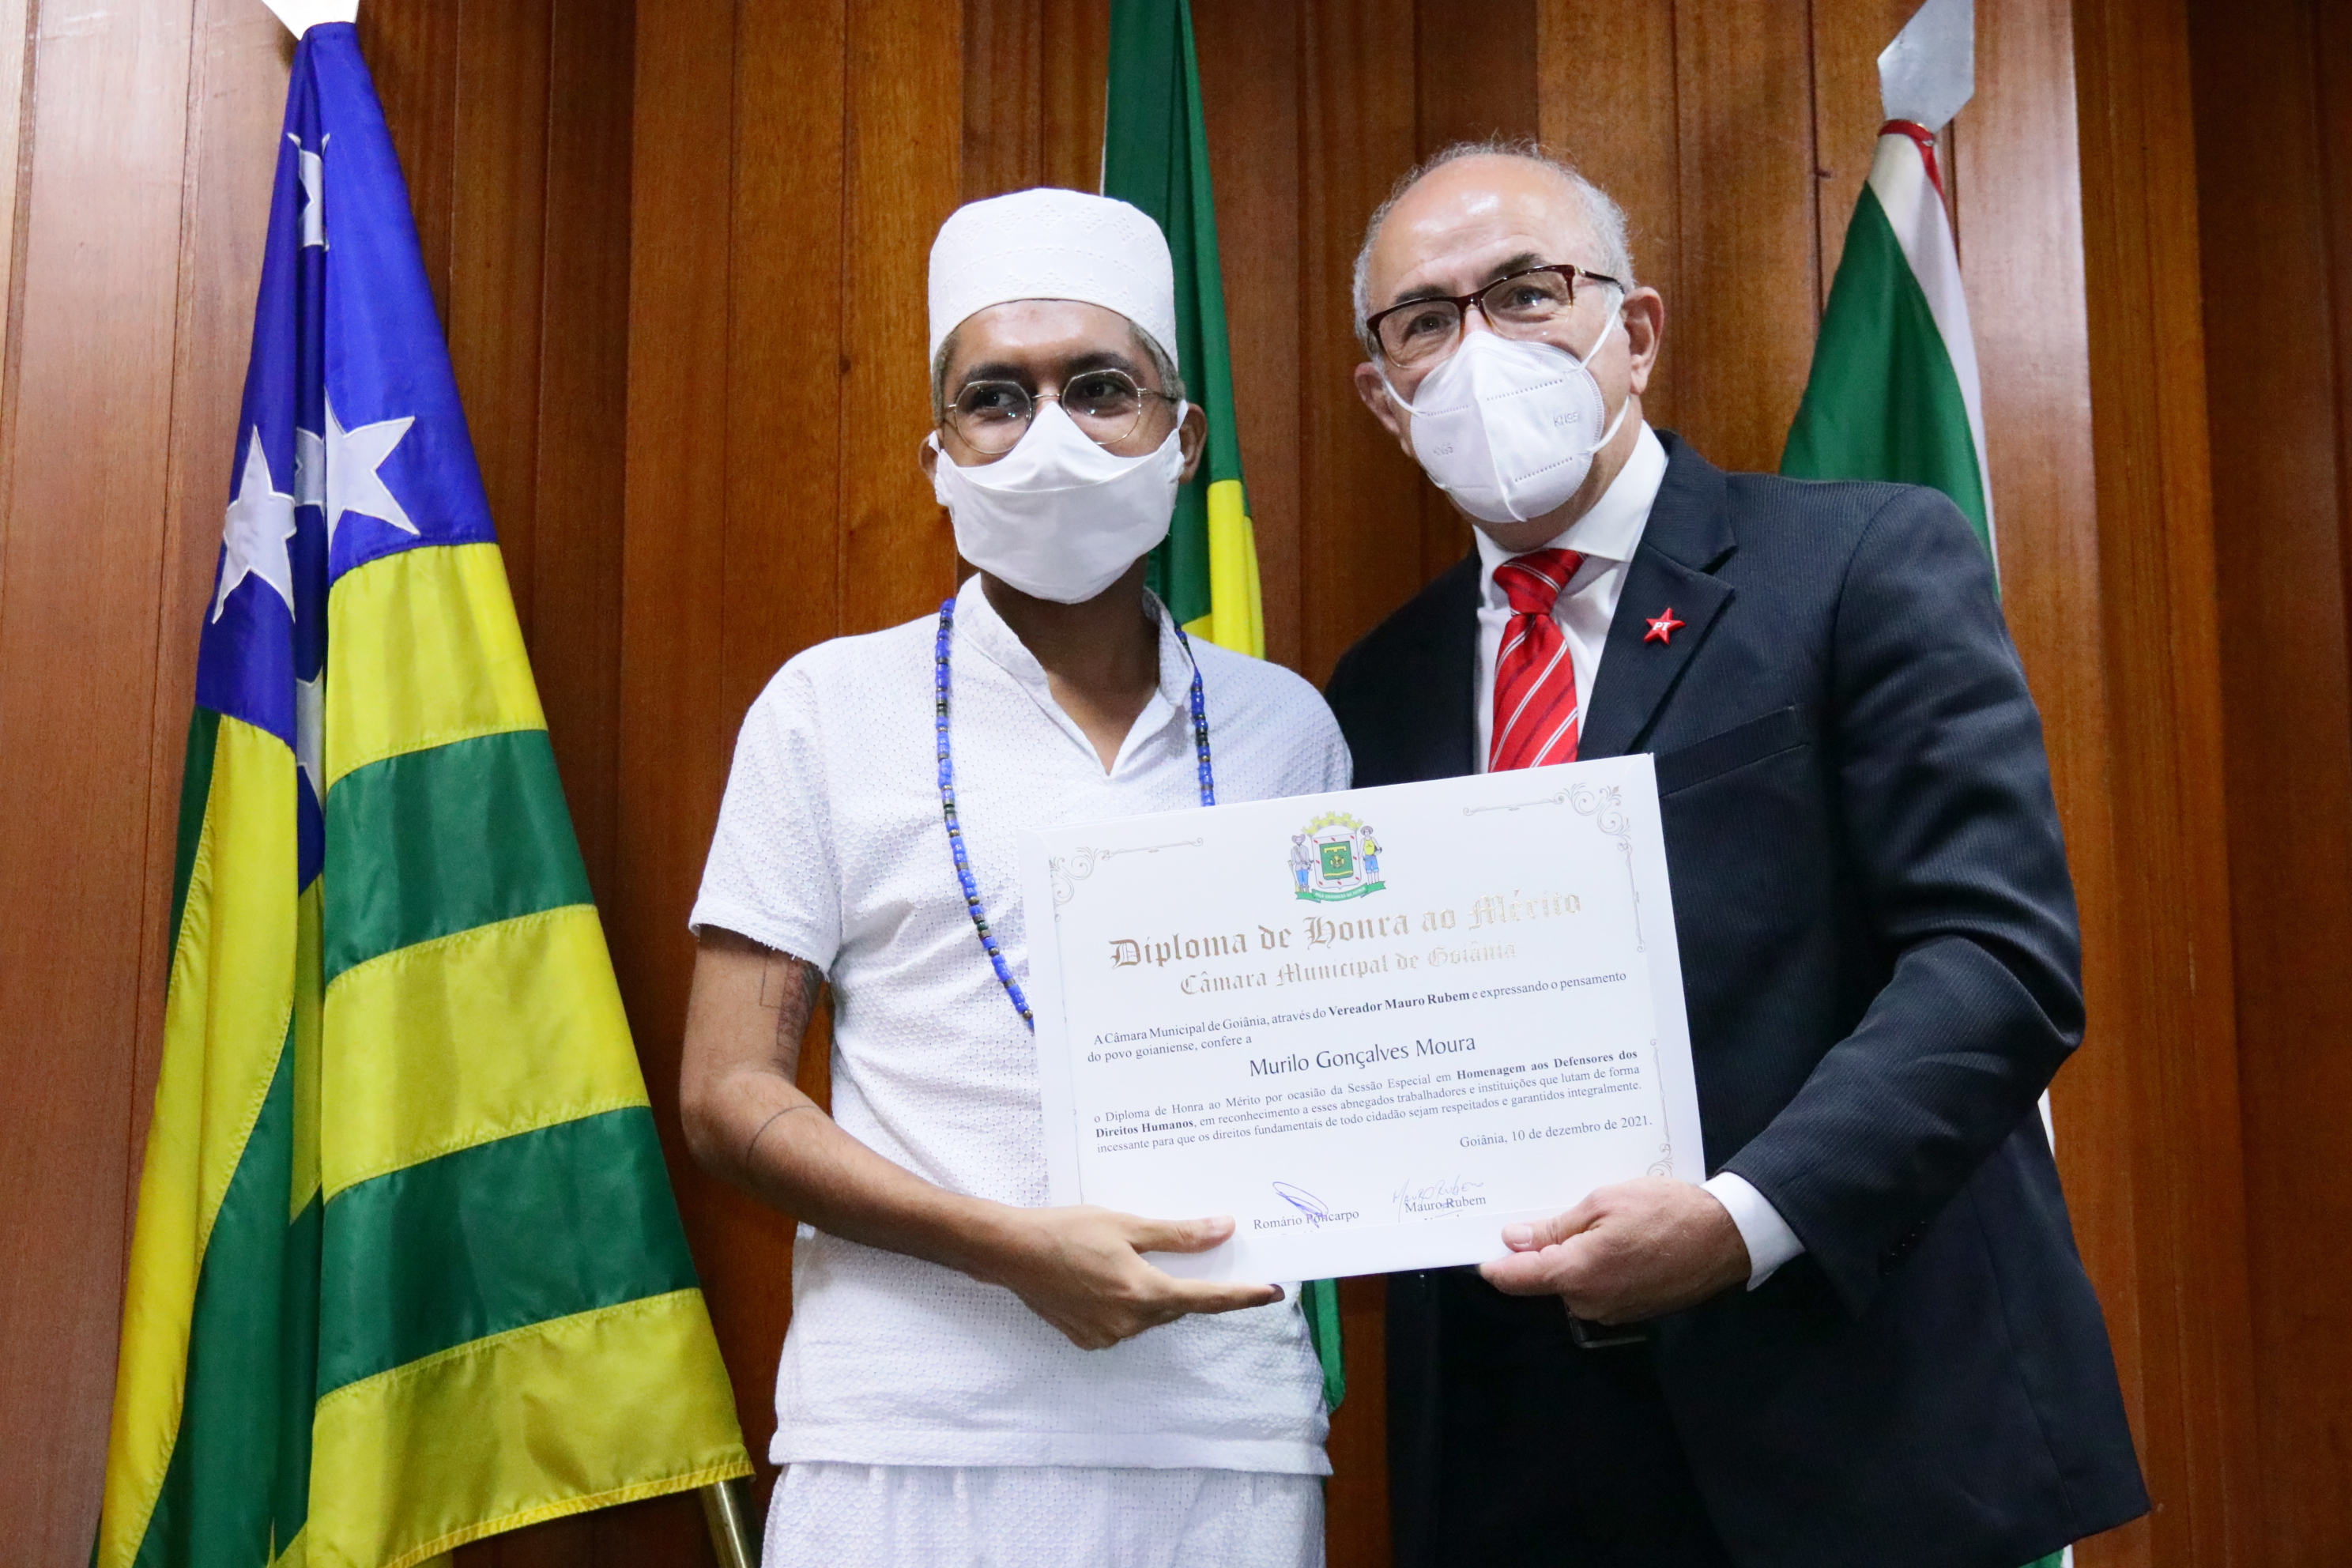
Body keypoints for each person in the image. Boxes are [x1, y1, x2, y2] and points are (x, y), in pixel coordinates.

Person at [1323, 141, 2149, 1568]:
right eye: (1427, 320)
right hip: (1523, 1455)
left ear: (1635, 331)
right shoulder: (1375, 688)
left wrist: (1740, 1220)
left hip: (1857, 1420)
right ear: (1383, 396)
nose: (1480, 347)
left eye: (1526, 293)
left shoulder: (1860, 560)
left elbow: (1997, 959)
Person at [679, 187, 1348, 1568]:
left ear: (1183, 440)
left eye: (1100, 389)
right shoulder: (826, 708)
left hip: (1222, 1435)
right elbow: (728, 1094)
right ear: (940, 457)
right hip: (903, 1438)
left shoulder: (1288, 727)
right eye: (996, 398)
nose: (1049, 434)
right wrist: (1009, 1248)